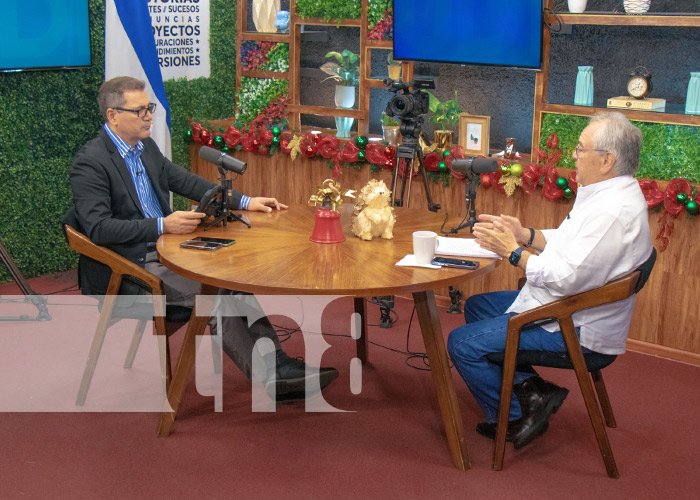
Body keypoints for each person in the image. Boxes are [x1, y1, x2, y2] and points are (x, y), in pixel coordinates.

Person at [68, 76, 338, 401]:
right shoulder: (90, 163)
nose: (149, 116)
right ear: (113, 115)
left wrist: (245, 201)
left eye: (149, 108)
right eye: (139, 111)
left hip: (170, 251)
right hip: (129, 270)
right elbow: (98, 229)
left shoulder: (146, 149)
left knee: (231, 277)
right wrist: (161, 226)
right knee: (215, 291)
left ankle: (277, 368)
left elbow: (187, 182)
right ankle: (275, 376)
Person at [447, 111, 653, 449]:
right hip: (572, 306)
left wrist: (513, 252)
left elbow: (564, 279)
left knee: (461, 344)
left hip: (578, 327)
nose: (573, 155)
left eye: (580, 149)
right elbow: (571, 244)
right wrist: (525, 234)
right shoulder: (610, 193)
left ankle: (514, 417)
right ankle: (533, 391)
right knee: (478, 306)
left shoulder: (612, 212)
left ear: (606, 160)